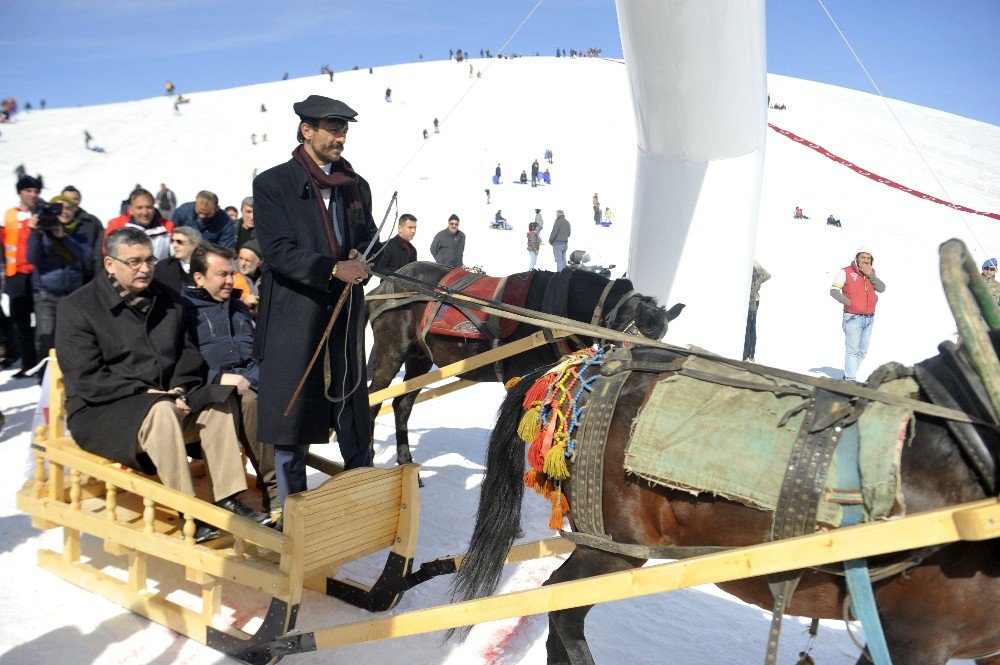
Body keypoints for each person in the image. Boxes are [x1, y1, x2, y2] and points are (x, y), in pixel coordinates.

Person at [55, 227, 268, 544]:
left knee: (217, 402)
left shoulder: (168, 300)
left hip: (167, 401)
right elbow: (86, 378)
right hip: (104, 412)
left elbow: (188, 356)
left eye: (149, 260)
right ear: (110, 263)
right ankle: (189, 512)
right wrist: (150, 396)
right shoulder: (79, 307)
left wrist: (181, 390)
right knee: (162, 411)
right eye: (134, 262)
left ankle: (228, 498)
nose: (144, 268)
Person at [252, 95, 380, 516]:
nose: (340, 136)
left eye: (344, 128)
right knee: (294, 409)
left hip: (344, 311)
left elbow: (368, 236)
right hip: (295, 312)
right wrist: (331, 268)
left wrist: (364, 259)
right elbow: (277, 251)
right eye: (332, 127)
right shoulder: (273, 184)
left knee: (351, 401)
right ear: (306, 130)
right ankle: (292, 509)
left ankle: (360, 496)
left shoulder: (355, 185)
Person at [183, 243, 277, 513]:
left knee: (278, 396)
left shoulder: (239, 309)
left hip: (248, 384)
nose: (229, 280)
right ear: (199, 278)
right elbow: (180, 365)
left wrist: (259, 379)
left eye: (231, 274)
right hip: (207, 392)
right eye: (221, 274)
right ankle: (269, 487)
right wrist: (217, 377)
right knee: (247, 400)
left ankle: (283, 482)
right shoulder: (184, 312)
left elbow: (256, 355)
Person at [27, 195, 92, 364]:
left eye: (69, 208)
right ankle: (45, 379)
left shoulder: (77, 230)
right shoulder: (42, 229)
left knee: (73, 336)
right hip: (46, 293)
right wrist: (35, 232)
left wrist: (64, 237)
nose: (65, 212)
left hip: (72, 293)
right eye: (60, 208)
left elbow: (86, 256)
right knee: (46, 337)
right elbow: (32, 258)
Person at [3, 175, 42, 377]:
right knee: (21, 323)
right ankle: (27, 363)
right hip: (15, 275)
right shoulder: (9, 215)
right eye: (28, 191)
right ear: (20, 193)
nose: (33, 195)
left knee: (43, 322)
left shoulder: (42, 213)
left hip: (38, 274)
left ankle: (43, 362)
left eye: (36, 191)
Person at [830, 248, 886, 383]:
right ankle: (849, 379)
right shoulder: (846, 271)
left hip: (869, 317)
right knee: (852, 350)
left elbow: (882, 289)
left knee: (862, 351)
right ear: (857, 258)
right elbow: (833, 291)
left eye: (868, 258)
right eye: (863, 257)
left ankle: (849, 374)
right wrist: (849, 303)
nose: (866, 260)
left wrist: (870, 275)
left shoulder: (871, 273)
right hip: (853, 317)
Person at [105, 188, 174, 260]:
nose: (145, 212)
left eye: (149, 207)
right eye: (139, 208)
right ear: (130, 209)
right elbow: (108, 254)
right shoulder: (116, 225)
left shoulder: (168, 226)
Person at [58, 185, 104, 281]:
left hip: (87, 274)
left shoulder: (92, 222)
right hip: (59, 276)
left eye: (75, 198)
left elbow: (98, 251)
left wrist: (97, 275)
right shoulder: (53, 221)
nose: (71, 202)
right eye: (67, 198)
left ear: (79, 200)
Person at [172, 191, 237, 248]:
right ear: (195, 203)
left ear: (216, 208)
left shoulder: (225, 223)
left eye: (207, 213)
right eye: (200, 212)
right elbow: (171, 232)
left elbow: (225, 249)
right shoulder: (183, 211)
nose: (202, 216)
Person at [155, 226, 202, 294]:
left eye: (179, 242)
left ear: (195, 244)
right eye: (172, 241)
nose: (174, 245)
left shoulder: (206, 266)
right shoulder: (163, 267)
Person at [742, 262, 771, 363]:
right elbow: (768, 275)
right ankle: (751, 355)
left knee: (747, 329)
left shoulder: (746, 277)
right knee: (752, 329)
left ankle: (745, 355)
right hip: (754, 304)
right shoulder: (757, 277)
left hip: (748, 305)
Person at [237, 239, 263, 313]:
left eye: (248, 260)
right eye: (241, 258)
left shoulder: (265, 279)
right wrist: (243, 303)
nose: (242, 264)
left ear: (259, 263)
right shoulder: (230, 276)